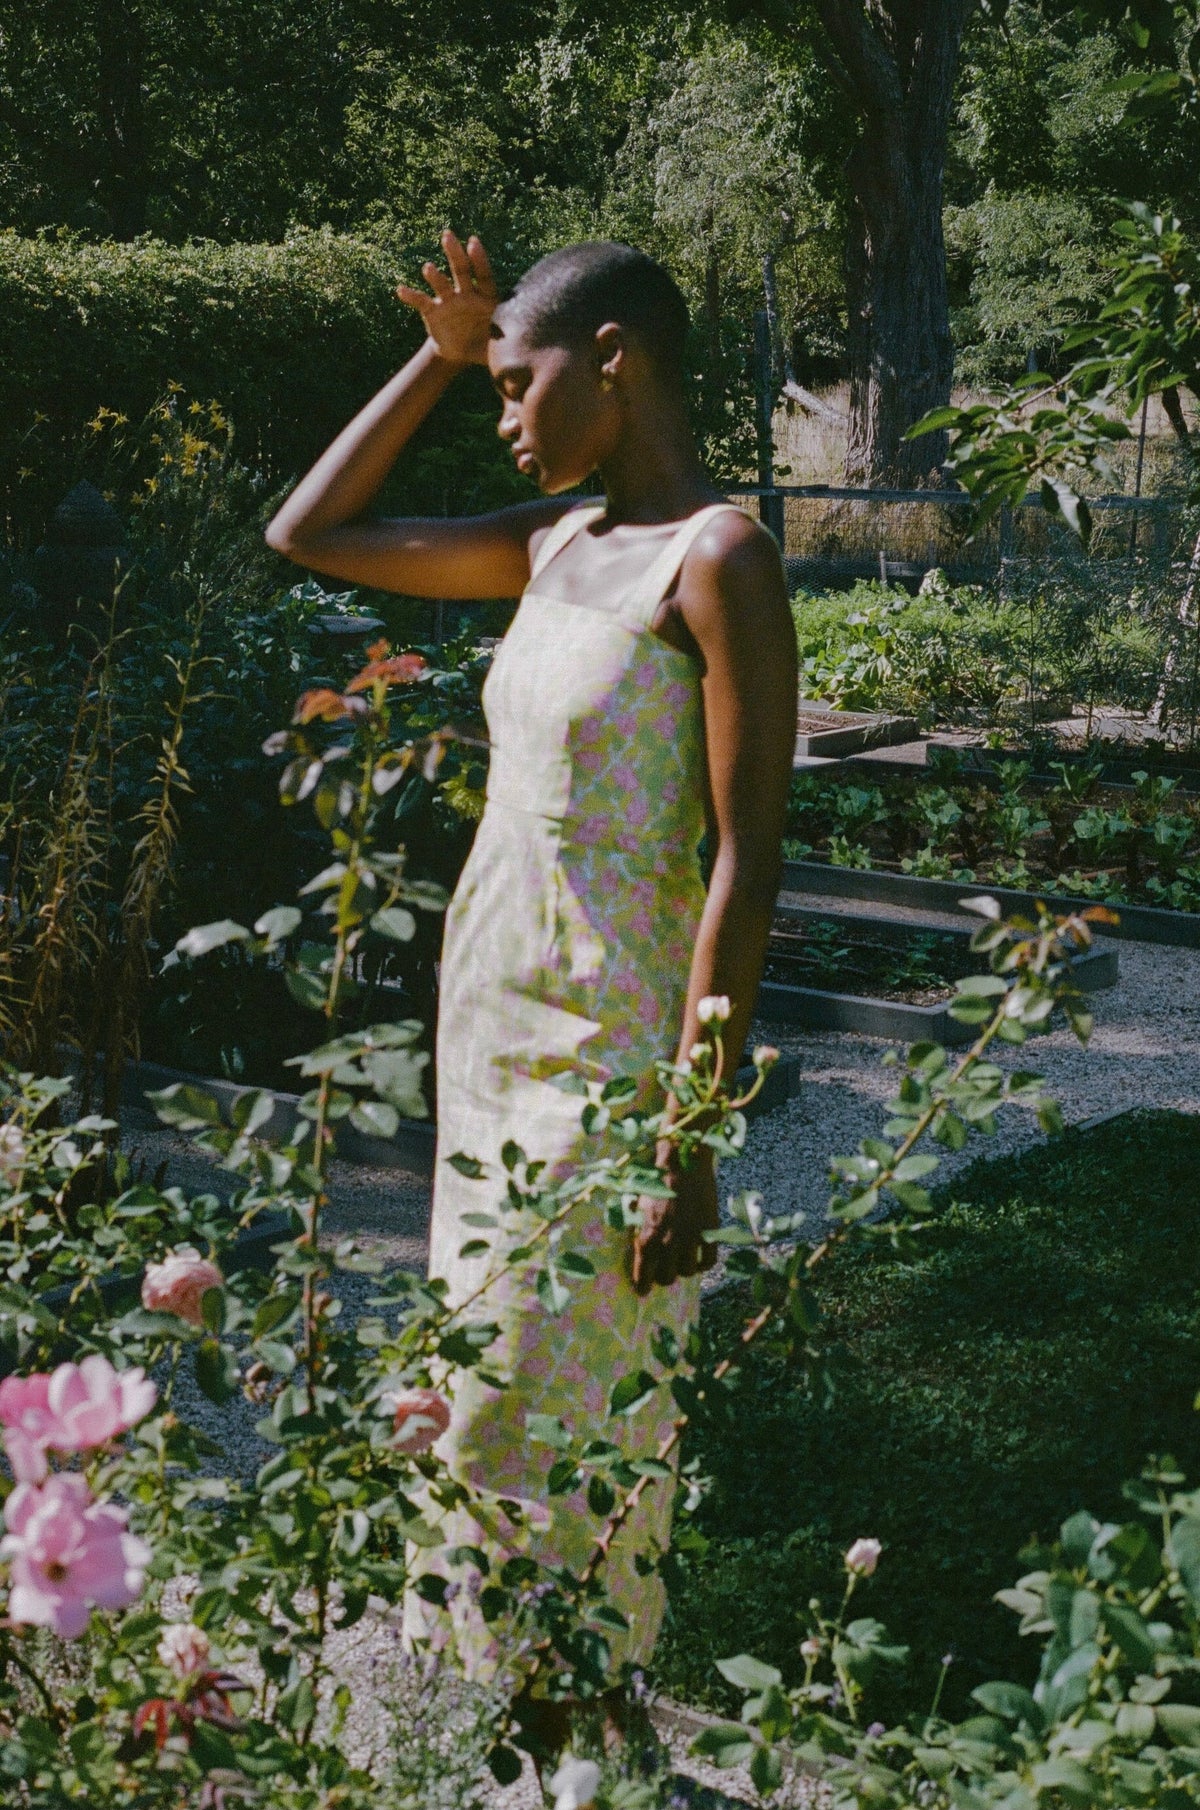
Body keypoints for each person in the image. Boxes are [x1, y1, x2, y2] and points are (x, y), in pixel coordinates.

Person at [265, 230, 797, 1739]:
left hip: (612, 1064)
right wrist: (435, 360)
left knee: (552, 1414)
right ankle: (556, 1738)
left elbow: (744, 870)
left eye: (515, 382)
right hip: (489, 1036)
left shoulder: (722, 559)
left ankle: (584, 1732)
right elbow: (306, 528)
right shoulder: (553, 540)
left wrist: (688, 1135)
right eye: (488, 388)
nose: (502, 412)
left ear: (614, 359)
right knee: (477, 1420)